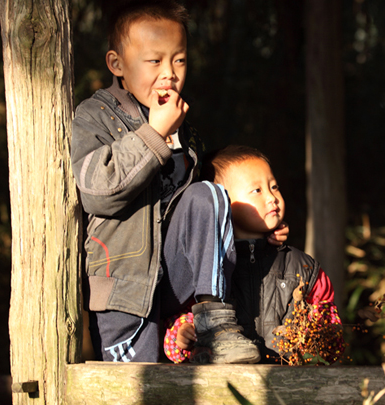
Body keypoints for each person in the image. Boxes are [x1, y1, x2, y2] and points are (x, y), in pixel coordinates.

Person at [70, 0, 287, 363]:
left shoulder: (185, 131)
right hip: (125, 287)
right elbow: (98, 192)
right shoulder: (95, 116)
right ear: (117, 64)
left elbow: (206, 211)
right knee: (131, 400)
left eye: (179, 59)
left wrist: (252, 227)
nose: (169, 72)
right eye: (154, 61)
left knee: (208, 193)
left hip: (177, 283)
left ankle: (215, 320)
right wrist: (155, 133)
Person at [163, 145, 345, 364]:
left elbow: (327, 316)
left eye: (274, 187)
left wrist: (320, 332)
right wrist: (181, 335)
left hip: (290, 386)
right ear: (221, 202)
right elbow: (182, 314)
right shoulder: (209, 267)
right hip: (223, 388)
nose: (272, 197)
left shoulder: (302, 266)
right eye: (257, 191)